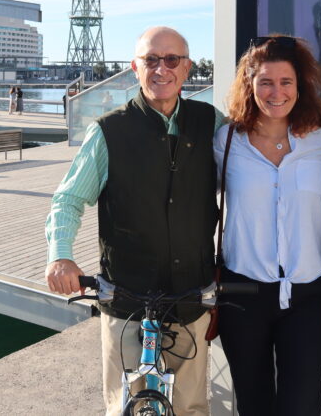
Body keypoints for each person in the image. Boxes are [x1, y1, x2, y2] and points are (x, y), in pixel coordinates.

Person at [44, 26, 225, 416]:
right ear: (135, 68)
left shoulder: (211, 122)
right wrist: (60, 255)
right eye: (151, 60)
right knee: (124, 406)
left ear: (187, 67)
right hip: (126, 298)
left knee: (192, 407)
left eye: (172, 59)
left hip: (190, 297)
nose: (162, 69)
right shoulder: (108, 131)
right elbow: (69, 199)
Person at [214, 35, 321, 415]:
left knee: (301, 405)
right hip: (243, 293)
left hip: (308, 296)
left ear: (300, 86)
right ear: (250, 85)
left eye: (286, 82)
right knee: (253, 404)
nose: (276, 92)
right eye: (265, 82)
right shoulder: (226, 141)